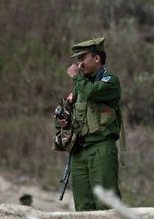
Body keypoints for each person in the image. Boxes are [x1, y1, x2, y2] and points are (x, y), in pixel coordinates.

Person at [56, 37, 123, 211]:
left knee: (107, 207)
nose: (79, 65)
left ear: (96, 59)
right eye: (77, 60)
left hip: (101, 149)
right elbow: (68, 113)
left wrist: (76, 78)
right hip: (79, 153)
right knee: (83, 208)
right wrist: (64, 123)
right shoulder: (78, 89)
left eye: (82, 58)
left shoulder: (110, 82)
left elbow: (92, 93)